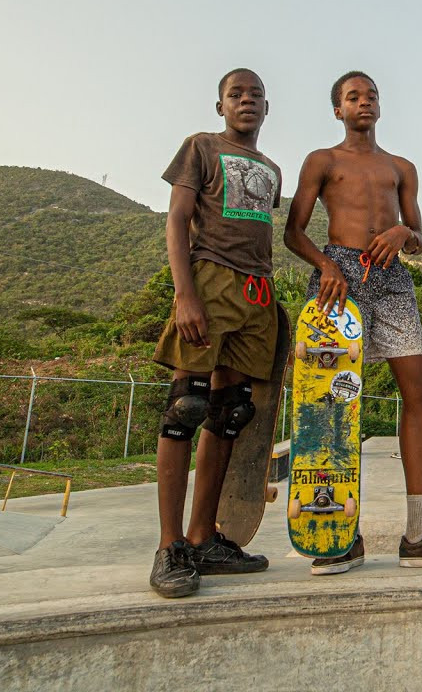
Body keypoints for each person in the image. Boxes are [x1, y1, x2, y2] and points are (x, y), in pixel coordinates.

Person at [285, 70, 422, 573]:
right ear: (338, 109)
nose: (364, 102)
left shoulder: (401, 167)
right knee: (333, 395)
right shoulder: (322, 160)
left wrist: (403, 233)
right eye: (353, 96)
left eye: (371, 95)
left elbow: (418, 235)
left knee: (420, 387)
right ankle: (336, 534)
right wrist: (326, 265)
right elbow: (293, 232)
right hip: (338, 277)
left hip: (391, 277)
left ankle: (419, 531)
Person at [150, 68, 282, 598]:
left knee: (231, 413)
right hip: (209, 280)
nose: (246, 100)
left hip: (257, 291)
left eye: (255, 95)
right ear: (220, 105)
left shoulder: (271, 169)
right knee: (187, 407)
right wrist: (185, 294)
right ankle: (170, 546)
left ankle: (203, 536)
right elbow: (177, 219)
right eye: (236, 94)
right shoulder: (201, 147)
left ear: (267, 108)